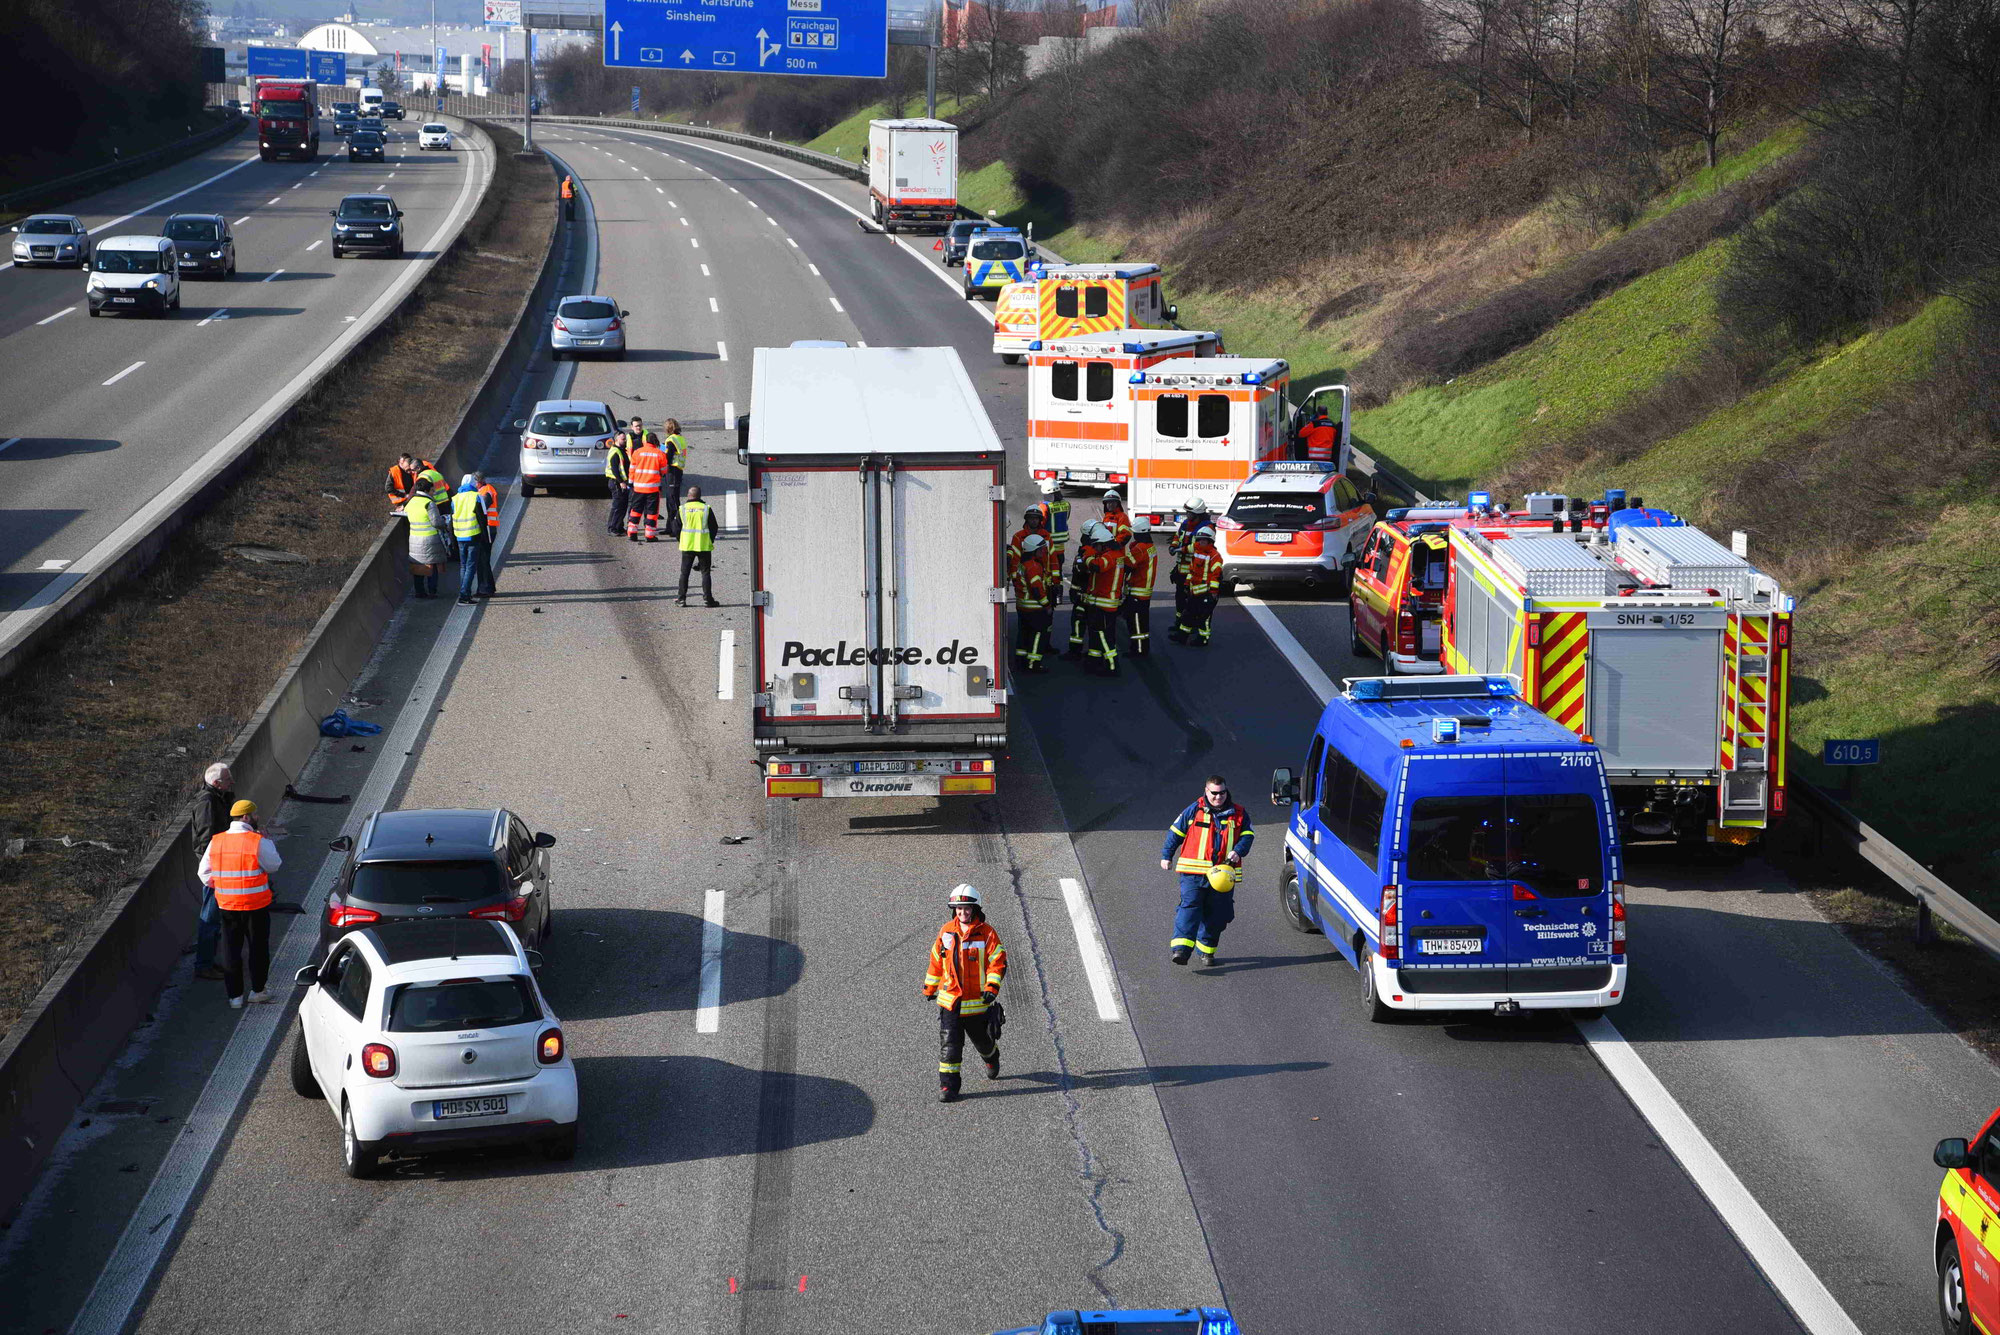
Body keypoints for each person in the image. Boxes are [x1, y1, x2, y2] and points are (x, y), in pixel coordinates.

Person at [923, 884, 1007, 1103]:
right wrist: (930, 987)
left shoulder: (987, 933)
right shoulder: (946, 931)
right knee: (950, 1046)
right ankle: (948, 1087)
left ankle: (991, 1058)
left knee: (983, 1042)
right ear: (954, 910)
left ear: (975, 909)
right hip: (950, 1001)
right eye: (959, 909)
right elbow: (937, 959)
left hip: (978, 1003)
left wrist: (991, 988)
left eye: (967, 908)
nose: (963, 913)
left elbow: (997, 962)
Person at [1158, 776, 1253, 966]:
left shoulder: (1239, 813)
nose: (1218, 797)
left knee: (1219, 914)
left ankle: (1206, 951)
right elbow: (1175, 833)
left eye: (1222, 793)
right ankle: (1181, 951)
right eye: (1214, 793)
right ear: (1206, 791)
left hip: (1223, 875)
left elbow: (1248, 835)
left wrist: (1238, 851)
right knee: (1190, 906)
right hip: (1193, 872)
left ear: (1227, 792)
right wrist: (1166, 856)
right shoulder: (1194, 810)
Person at [198, 799, 283, 1007]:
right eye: (255, 815)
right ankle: (258, 990)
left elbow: (204, 873)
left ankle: (234, 997)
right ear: (246, 817)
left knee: (231, 950)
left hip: (227, 905)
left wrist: (225, 885)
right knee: (258, 949)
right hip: (255, 906)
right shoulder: (257, 841)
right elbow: (274, 865)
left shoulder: (216, 841)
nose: (257, 818)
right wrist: (268, 841)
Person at [189, 763, 234, 981]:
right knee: (210, 916)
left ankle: (210, 960)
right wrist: (219, 867)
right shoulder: (207, 803)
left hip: (221, 865)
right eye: (228, 779)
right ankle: (204, 964)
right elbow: (207, 840)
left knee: (216, 916)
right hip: (216, 869)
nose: (231, 782)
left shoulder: (219, 798)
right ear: (216, 783)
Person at [1077, 520, 1129, 676]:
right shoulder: (1114, 554)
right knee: (1095, 633)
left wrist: (1086, 556)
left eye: (1096, 545)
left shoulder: (1110, 556)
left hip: (1104, 604)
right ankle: (1094, 660)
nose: (1095, 548)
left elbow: (1096, 566)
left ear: (1104, 544)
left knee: (1104, 636)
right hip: (1103, 602)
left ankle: (1112, 666)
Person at [1169, 526, 1222, 646]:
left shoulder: (1215, 556)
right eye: (1199, 540)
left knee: (1204, 618)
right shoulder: (1197, 551)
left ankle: (1203, 639)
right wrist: (1187, 584)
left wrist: (1213, 592)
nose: (1201, 542)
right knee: (1188, 614)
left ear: (1210, 541)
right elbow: (1192, 571)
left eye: (1204, 540)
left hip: (1206, 592)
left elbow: (1216, 575)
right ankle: (1182, 636)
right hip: (1195, 591)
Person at [1012, 531, 1054, 673]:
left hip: (1022, 606)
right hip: (1034, 608)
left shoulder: (1023, 564)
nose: (1044, 551)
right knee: (1038, 634)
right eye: (1041, 549)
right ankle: (1033, 664)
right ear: (1033, 550)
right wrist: (1046, 605)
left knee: (1023, 634)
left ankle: (1021, 661)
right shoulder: (1034, 566)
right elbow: (1036, 589)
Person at [451, 474, 496, 604]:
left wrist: (453, 538)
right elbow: (482, 518)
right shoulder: (475, 497)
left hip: (459, 535)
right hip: (473, 535)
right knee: (471, 566)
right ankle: (464, 595)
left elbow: (451, 518)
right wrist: (485, 538)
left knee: (463, 566)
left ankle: (464, 592)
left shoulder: (455, 498)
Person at [673, 485, 720, 607]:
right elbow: (714, 527)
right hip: (703, 546)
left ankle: (681, 599)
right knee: (705, 573)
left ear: (689, 496)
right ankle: (708, 599)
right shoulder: (705, 509)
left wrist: (681, 540)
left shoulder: (683, 509)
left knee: (684, 573)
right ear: (699, 496)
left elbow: (676, 528)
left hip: (687, 546)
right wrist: (710, 540)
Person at [626, 430, 671, 542]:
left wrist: (631, 483)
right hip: (652, 488)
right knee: (651, 512)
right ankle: (649, 535)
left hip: (638, 488)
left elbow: (632, 470)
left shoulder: (637, 452)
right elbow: (664, 471)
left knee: (635, 510)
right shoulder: (659, 454)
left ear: (645, 441)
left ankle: (632, 533)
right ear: (655, 441)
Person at [1122, 520, 1159, 658]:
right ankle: (1143, 648)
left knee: (1135, 624)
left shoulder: (1139, 549)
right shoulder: (1150, 547)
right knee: (1142, 623)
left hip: (1136, 591)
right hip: (1144, 592)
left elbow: (1126, 565)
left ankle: (1137, 650)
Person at [404, 488, 449, 598]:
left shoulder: (411, 501)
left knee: (418, 565)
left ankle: (419, 591)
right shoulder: (429, 503)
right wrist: (445, 521)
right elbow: (436, 522)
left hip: (414, 539)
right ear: (427, 490)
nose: (433, 492)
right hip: (430, 539)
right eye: (432, 490)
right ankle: (432, 591)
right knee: (432, 565)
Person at [1034, 478, 1071, 573]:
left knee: (1047, 571)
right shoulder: (1066, 504)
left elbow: (1039, 525)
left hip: (1047, 545)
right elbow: (1066, 518)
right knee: (1058, 571)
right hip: (1060, 546)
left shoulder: (1044, 507)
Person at [1007, 506, 1049, 582]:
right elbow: (1015, 559)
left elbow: (1052, 558)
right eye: (1031, 518)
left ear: (1040, 520)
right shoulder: (1018, 537)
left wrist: (1056, 580)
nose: (1034, 520)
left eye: (1036, 518)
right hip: (1024, 580)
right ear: (1027, 519)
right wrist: (1015, 578)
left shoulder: (1046, 535)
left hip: (1044, 578)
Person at [604, 426, 633, 536]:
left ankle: (619, 527)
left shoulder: (621, 450)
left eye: (625, 438)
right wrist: (621, 481)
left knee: (622, 505)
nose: (625, 440)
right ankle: (612, 528)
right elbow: (615, 469)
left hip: (621, 482)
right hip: (616, 483)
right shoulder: (615, 452)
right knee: (618, 506)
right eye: (623, 439)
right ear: (616, 440)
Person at [661, 418, 689, 518]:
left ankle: (675, 525)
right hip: (678, 470)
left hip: (672, 471)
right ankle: (671, 526)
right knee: (673, 498)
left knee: (672, 500)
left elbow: (668, 456)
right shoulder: (680, 438)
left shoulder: (671, 440)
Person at [477, 473, 501, 548]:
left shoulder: (487, 490)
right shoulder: (481, 490)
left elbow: (482, 507)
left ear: (479, 482)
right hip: (487, 524)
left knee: (486, 547)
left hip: (489, 524)